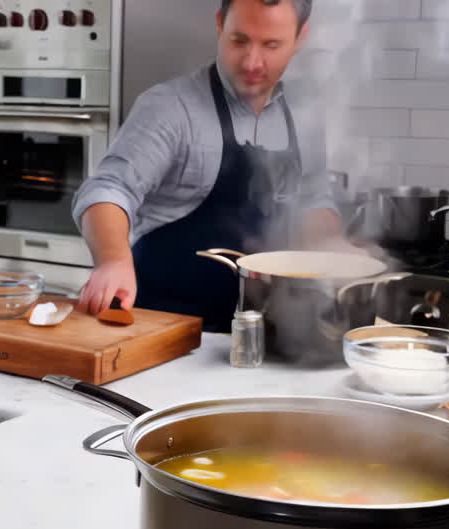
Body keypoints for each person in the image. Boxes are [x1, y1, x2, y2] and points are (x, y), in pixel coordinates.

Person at [73, 0, 341, 332]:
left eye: (271, 44)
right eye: (239, 40)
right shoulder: (170, 107)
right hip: (163, 329)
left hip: (264, 332)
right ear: (220, 24)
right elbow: (108, 189)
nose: (252, 62)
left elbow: (313, 199)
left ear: (301, 36)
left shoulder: (304, 114)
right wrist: (113, 260)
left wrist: (330, 248)